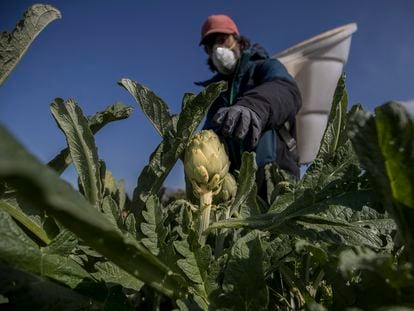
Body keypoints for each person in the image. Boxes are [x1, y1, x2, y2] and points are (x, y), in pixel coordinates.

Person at [196, 14, 302, 198]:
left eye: (222, 40)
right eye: (210, 47)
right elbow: (210, 135)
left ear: (237, 40)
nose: (217, 49)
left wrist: (253, 107)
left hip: (273, 172)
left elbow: (287, 90)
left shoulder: (263, 67)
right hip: (234, 185)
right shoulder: (214, 92)